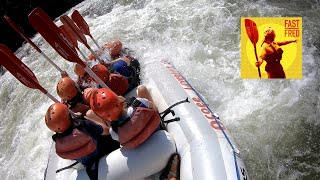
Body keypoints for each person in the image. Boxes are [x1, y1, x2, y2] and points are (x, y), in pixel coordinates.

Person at [45, 102, 119, 180]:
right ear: (69, 117)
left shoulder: (59, 145)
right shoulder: (83, 126)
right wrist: (84, 118)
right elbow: (106, 130)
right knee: (93, 117)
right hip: (105, 150)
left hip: (88, 162)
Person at [89, 85, 161, 149]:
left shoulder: (113, 132)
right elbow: (154, 108)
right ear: (119, 99)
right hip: (156, 130)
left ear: (103, 118)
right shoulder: (139, 103)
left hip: (140, 146)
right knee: (142, 89)